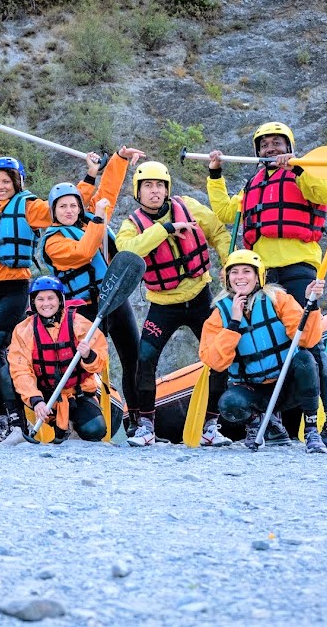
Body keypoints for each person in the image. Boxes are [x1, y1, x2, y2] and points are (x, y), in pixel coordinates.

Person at [0, 104, 102, 443]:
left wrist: (89, 176)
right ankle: (1, 419)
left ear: (17, 183)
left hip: (15, 288)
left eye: (7, 182)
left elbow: (68, 204)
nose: (1, 187)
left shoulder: (30, 208)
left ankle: (13, 421)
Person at [208, 121, 327, 448]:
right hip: (262, 274)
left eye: (277, 143)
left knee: (310, 344)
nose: (271, 149)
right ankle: (271, 424)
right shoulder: (253, 182)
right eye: (265, 145)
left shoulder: (305, 172)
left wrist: (300, 169)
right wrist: (215, 175)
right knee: (262, 340)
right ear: (258, 152)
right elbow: (228, 213)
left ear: (288, 145)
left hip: (299, 267)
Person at [115, 160, 232, 447]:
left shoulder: (189, 206)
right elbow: (127, 251)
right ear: (138, 192)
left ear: (167, 188)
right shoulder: (131, 226)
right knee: (145, 361)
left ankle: (211, 425)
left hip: (200, 297)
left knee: (219, 357)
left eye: (160, 185)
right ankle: (145, 425)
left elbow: (218, 232)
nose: (155, 191)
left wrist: (231, 265)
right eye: (148, 186)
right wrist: (166, 228)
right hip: (163, 305)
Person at [36, 147, 146, 433]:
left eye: (73, 205)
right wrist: (97, 218)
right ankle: (69, 416)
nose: (70, 210)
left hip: (114, 298)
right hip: (82, 308)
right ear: (54, 212)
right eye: (63, 207)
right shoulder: (53, 242)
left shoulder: (88, 219)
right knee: (83, 363)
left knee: (133, 357)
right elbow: (84, 252)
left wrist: (120, 159)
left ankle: (138, 420)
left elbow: (108, 189)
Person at [198, 250, 327, 453]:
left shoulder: (279, 300)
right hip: (254, 391)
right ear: (227, 279)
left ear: (258, 276)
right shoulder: (219, 315)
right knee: (230, 404)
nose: (240, 277)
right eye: (234, 272)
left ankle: (312, 429)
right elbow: (215, 362)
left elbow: (307, 339)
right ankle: (260, 424)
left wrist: (312, 304)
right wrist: (233, 324)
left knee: (305, 359)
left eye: (246, 271)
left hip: (287, 384)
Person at [8, 277, 109, 444]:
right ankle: (58, 426)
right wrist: (35, 400)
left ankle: (73, 424)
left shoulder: (79, 324)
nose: (45, 304)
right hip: (46, 396)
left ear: (60, 300)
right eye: (40, 299)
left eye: (50, 298)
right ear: (33, 302)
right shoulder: (23, 330)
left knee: (95, 429)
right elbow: (20, 371)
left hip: (77, 393)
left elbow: (101, 360)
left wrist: (88, 355)